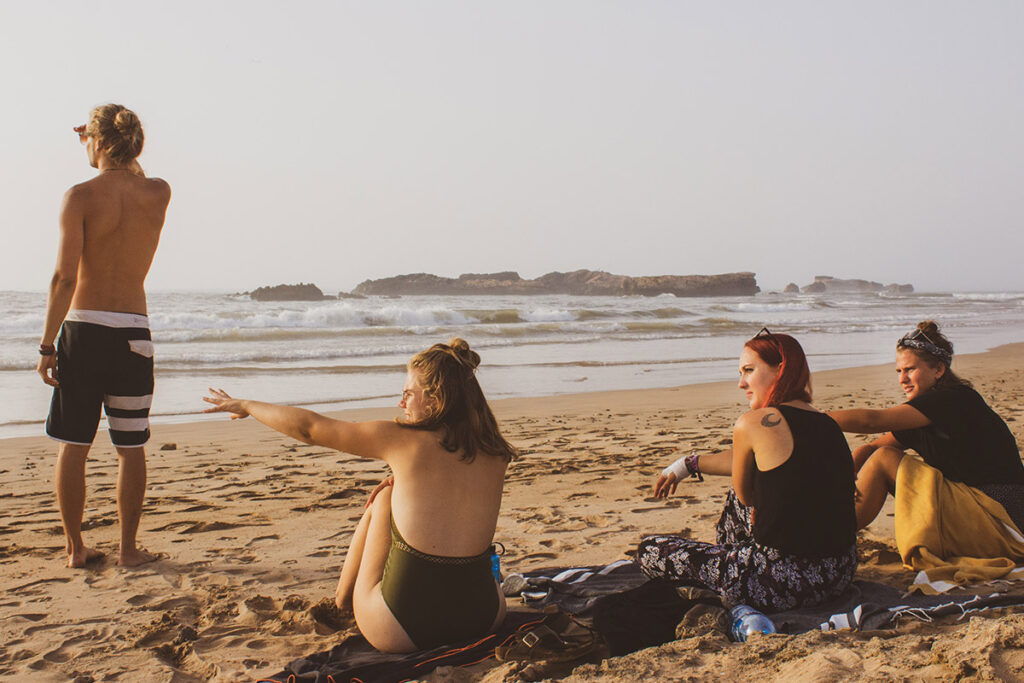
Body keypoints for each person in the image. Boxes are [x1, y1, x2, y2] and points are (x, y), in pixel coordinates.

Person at [203, 338, 516, 653]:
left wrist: (246, 405)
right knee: (406, 493)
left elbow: (309, 429)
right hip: (484, 619)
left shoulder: (404, 442)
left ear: (435, 399)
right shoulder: (495, 451)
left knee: (384, 497)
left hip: (403, 628)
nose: (401, 404)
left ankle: (340, 603)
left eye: (408, 394)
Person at [37, 104, 171, 569]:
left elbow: (63, 278)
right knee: (130, 448)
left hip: (83, 333)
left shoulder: (78, 196)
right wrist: (103, 142)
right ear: (135, 144)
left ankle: (76, 548)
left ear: (96, 140)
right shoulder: (158, 192)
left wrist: (46, 344)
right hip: (133, 333)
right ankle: (128, 549)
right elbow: (131, 173)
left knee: (74, 445)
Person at [639, 329, 857, 612]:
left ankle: (733, 565)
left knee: (649, 550)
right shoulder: (828, 424)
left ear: (781, 369)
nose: (742, 383)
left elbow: (744, 496)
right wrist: (688, 465)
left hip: (780, 584)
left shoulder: (752, 423)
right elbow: (777, 464)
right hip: (838, 574)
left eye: (749, 371)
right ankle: (734, 559)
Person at [828, 321, 1024, 534]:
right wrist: (849, 473)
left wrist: (810, 418)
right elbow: (871, 448)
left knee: (885, 459)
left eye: (910, 369)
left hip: (1001, 514)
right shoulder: (922, 414)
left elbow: (872, 421)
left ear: (939, 369)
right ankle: (834, 531)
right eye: (899, 371)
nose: (902, 379)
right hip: (972, 509)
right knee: (881, 455)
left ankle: (832, 538)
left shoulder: (954, 400)